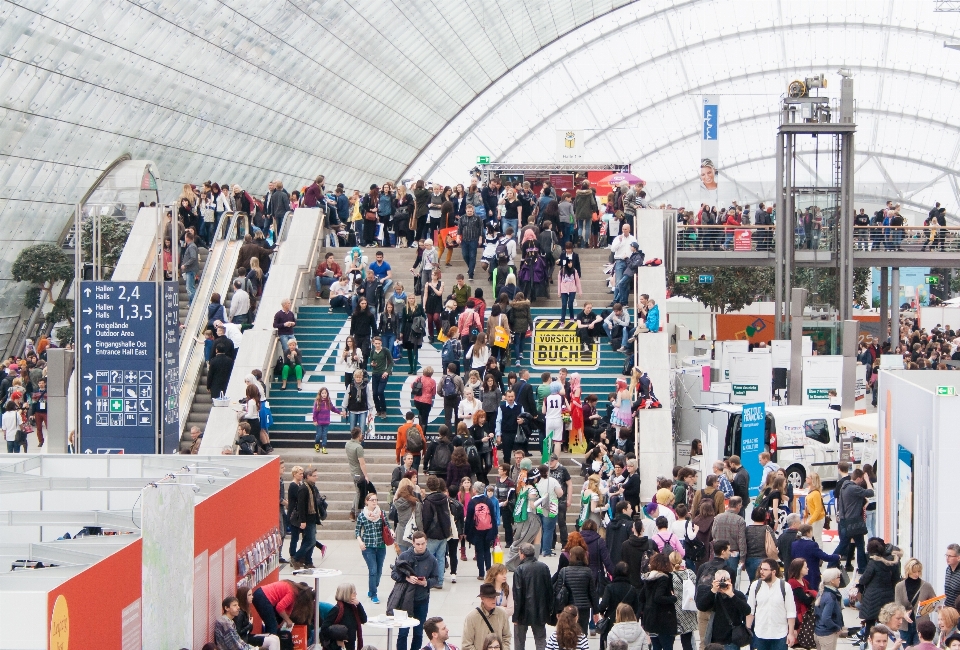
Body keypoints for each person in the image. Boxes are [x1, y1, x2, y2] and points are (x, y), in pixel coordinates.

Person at [392, 532, 440, 650]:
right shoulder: (404, 556)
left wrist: (426, 583)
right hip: (405, 600)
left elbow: (436, 578)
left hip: (421, 600)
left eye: (423, 544)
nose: (420, 546)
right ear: (413, 543)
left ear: (426, 542)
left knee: (418, 633)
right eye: (417, 544)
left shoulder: (431, 559)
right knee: (403, 633)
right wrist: (406, 578)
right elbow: (394, 573)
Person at [746, 558, 797, 650]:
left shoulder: (785, 586)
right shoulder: (755, 586)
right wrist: (747, 630)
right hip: (760, 633)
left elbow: (791, 612)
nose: (761, 572)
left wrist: (791, 633)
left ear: (774, 571)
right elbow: (750, 610)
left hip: (780, 634)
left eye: (765, 570)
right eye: (761, 569)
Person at [695, 568, 751, 650]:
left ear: (730, 580)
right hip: (714, 641)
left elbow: (747, 611)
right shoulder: (711, 593)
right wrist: (713, 590)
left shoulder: (737, 595)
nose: (721, 584)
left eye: (724, 580)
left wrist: (731, 595)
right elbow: (701, 607)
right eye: (719, 581)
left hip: (731, 640)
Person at [856, 538, 904, 633]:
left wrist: (858, 583)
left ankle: (869, 641)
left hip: (872, 597)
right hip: (888, 595)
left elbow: (865, 579)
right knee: (886, 622)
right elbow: (896, 579)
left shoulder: (873, 562)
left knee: (870, 624)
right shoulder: (894, 561)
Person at [832, 469, 874, 574]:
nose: (862, 482)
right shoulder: (853, 488)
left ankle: (831, 563)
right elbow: (871, 492)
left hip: (845, 520)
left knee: (844, 544)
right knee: (859, 545)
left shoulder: (844, 487)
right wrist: (867, 480)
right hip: (854, 522)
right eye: (862, 479)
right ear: (859, 478)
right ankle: (862, 568)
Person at [513, 542, 553, 650]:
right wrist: (550, 609)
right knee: (540, 640)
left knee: (519, 641)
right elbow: (550, 590)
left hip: (523, 612)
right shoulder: (544, 567)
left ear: (522, 554)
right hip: (540, 610)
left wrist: (516, 615)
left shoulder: (519, 570)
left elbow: (517, 595)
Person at [504, 463, 542, 571]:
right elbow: (532, 505)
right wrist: (544, 499)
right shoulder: (532, 490)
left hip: (521, 517)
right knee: (531, 541)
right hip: (531, 517)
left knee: (522, 540)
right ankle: (532, 563)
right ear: (535, 478)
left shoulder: (523, 488)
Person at [638, 553, 679, 650]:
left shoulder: (649, 577)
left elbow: (641, 597)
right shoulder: (664, 578)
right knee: (667, 646)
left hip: (650, 619)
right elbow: (658, 597)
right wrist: (673, 598)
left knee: (656, 646)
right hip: (664, 619)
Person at [556, 546, 599, 635]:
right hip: (584, 608)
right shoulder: (588, 571)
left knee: (568, 633)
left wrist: (559, 610)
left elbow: (558, 592)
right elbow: (592, 593)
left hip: (568, 608)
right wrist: (595, 611)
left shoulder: (564, 571)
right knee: (582, 634)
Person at [893, 558, 935, 646]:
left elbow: (934, 602)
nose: (917, 574)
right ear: (908, 571)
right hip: (904, 624)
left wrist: (928, 607)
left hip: (922, 624)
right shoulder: (899, 586)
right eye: (914, 571)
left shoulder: (926, 586)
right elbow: (898, 604)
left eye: (919, 571)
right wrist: (904, 613)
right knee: (906, 648)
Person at [355, 492, 388, 604]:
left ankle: (372, 587)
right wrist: (360, 541)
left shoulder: (381, 513)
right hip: (368, 547)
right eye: (372, 500)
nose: (374, 502)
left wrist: (392, 532)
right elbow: (357, 531)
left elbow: (387, 526)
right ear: (367, 502)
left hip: (380, 546)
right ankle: (374, 594)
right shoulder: (362, 515)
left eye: (376, 500)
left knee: (379, 571)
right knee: (373, 570)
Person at [462, 583, 513, 650]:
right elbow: (467, 645)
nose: (494, 600)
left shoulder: (502, 614)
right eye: (490, 597)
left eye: (494, 597)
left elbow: (506, 637)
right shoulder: (471, 618)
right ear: (482, 599)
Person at [466, 481, 499, 579]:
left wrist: (467, 532)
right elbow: (493, 516)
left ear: (475, 490)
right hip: (488, 529)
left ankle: (481, 574)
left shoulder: (472, 502)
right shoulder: (488, 501)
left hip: (477, 530)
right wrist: (495, 531)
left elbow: (469, 519)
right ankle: (489, 571)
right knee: (487, 550)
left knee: (479, 551)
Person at [321, 584, 368, 650]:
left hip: (350, 644)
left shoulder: (353, 608)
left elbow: (364, 620)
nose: (356, 594)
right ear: (347, 594)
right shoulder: (337, 609)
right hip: (338, 646)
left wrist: (359, 605)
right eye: (354, 592)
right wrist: (337, 640)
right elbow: (324, 629)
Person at [293, 467, 324, 569]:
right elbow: (301, 506)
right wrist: (303, 521)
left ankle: (308, 561)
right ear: (308, 476)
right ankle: (296, 558)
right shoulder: (304, 488)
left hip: (313, 518)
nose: (316, 478)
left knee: (309, 540)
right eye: (314, 476)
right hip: (307, 519)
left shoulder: (312, 487)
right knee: (311, 541)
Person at [786, 559, 818, 650]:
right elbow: (806, 600)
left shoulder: (804, 581)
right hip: (798, 615)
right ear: (799, 569)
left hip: (806, 615)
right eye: (805, 567)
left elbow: (812, 594)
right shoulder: (793, 583)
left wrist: (810, 594)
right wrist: (811, 595)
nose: (808, 569)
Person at [669, 551, 697, 650]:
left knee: (669, 642)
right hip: (688, 610)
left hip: (673, 611)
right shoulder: (690, 573)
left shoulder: (669, 576)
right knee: (687, 642)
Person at [814, 568, 844, 650]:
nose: (840, 580)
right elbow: (826, 618)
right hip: (827, 635)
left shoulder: (821, 592)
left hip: (818, 632)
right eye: (838, 577)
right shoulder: (831, 596)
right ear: (832, 580)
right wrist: (837, 627)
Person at [744, 508, 774, 582]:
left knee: (753, 581)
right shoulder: (767, 529)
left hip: (749, 559)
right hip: (764, 558)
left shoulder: (747, 529)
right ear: (764, 516)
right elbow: (774, 543)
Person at [394, 478, 424, 552]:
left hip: (400, 533)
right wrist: (422, 532)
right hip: (412, 533)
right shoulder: (416, 503)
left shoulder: (397, 503)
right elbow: (418, 520)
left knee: (402, 559)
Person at [401, 294, 427, 375]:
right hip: (408, 328)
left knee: (415, 349)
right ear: (408, 299)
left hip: (416, 328)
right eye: (410, 298)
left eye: (413, 298)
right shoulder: (405, 308)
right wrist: (401, 332)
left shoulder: (418, 306)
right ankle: (411, 368)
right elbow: (403, 320)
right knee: (409, 349)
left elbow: (424, 316)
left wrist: (419, 321)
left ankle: (415, 368)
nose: (411, 299)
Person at [803, 474, 826, 545]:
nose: (806, 478)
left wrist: (810, 521)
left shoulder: (816, 493)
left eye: (808, 478)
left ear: (813, 480)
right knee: (810, 537)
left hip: (817, 518)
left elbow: (818, 509)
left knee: (817, 537)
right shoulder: (810, 490)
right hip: (811, 516)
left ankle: (820, 554)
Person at [945, 544, 960, 613]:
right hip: (948, 610)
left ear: (958, 558)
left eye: (950, 556)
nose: (947, 558)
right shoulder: (948, 569)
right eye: (946, 555)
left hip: (957, 611)